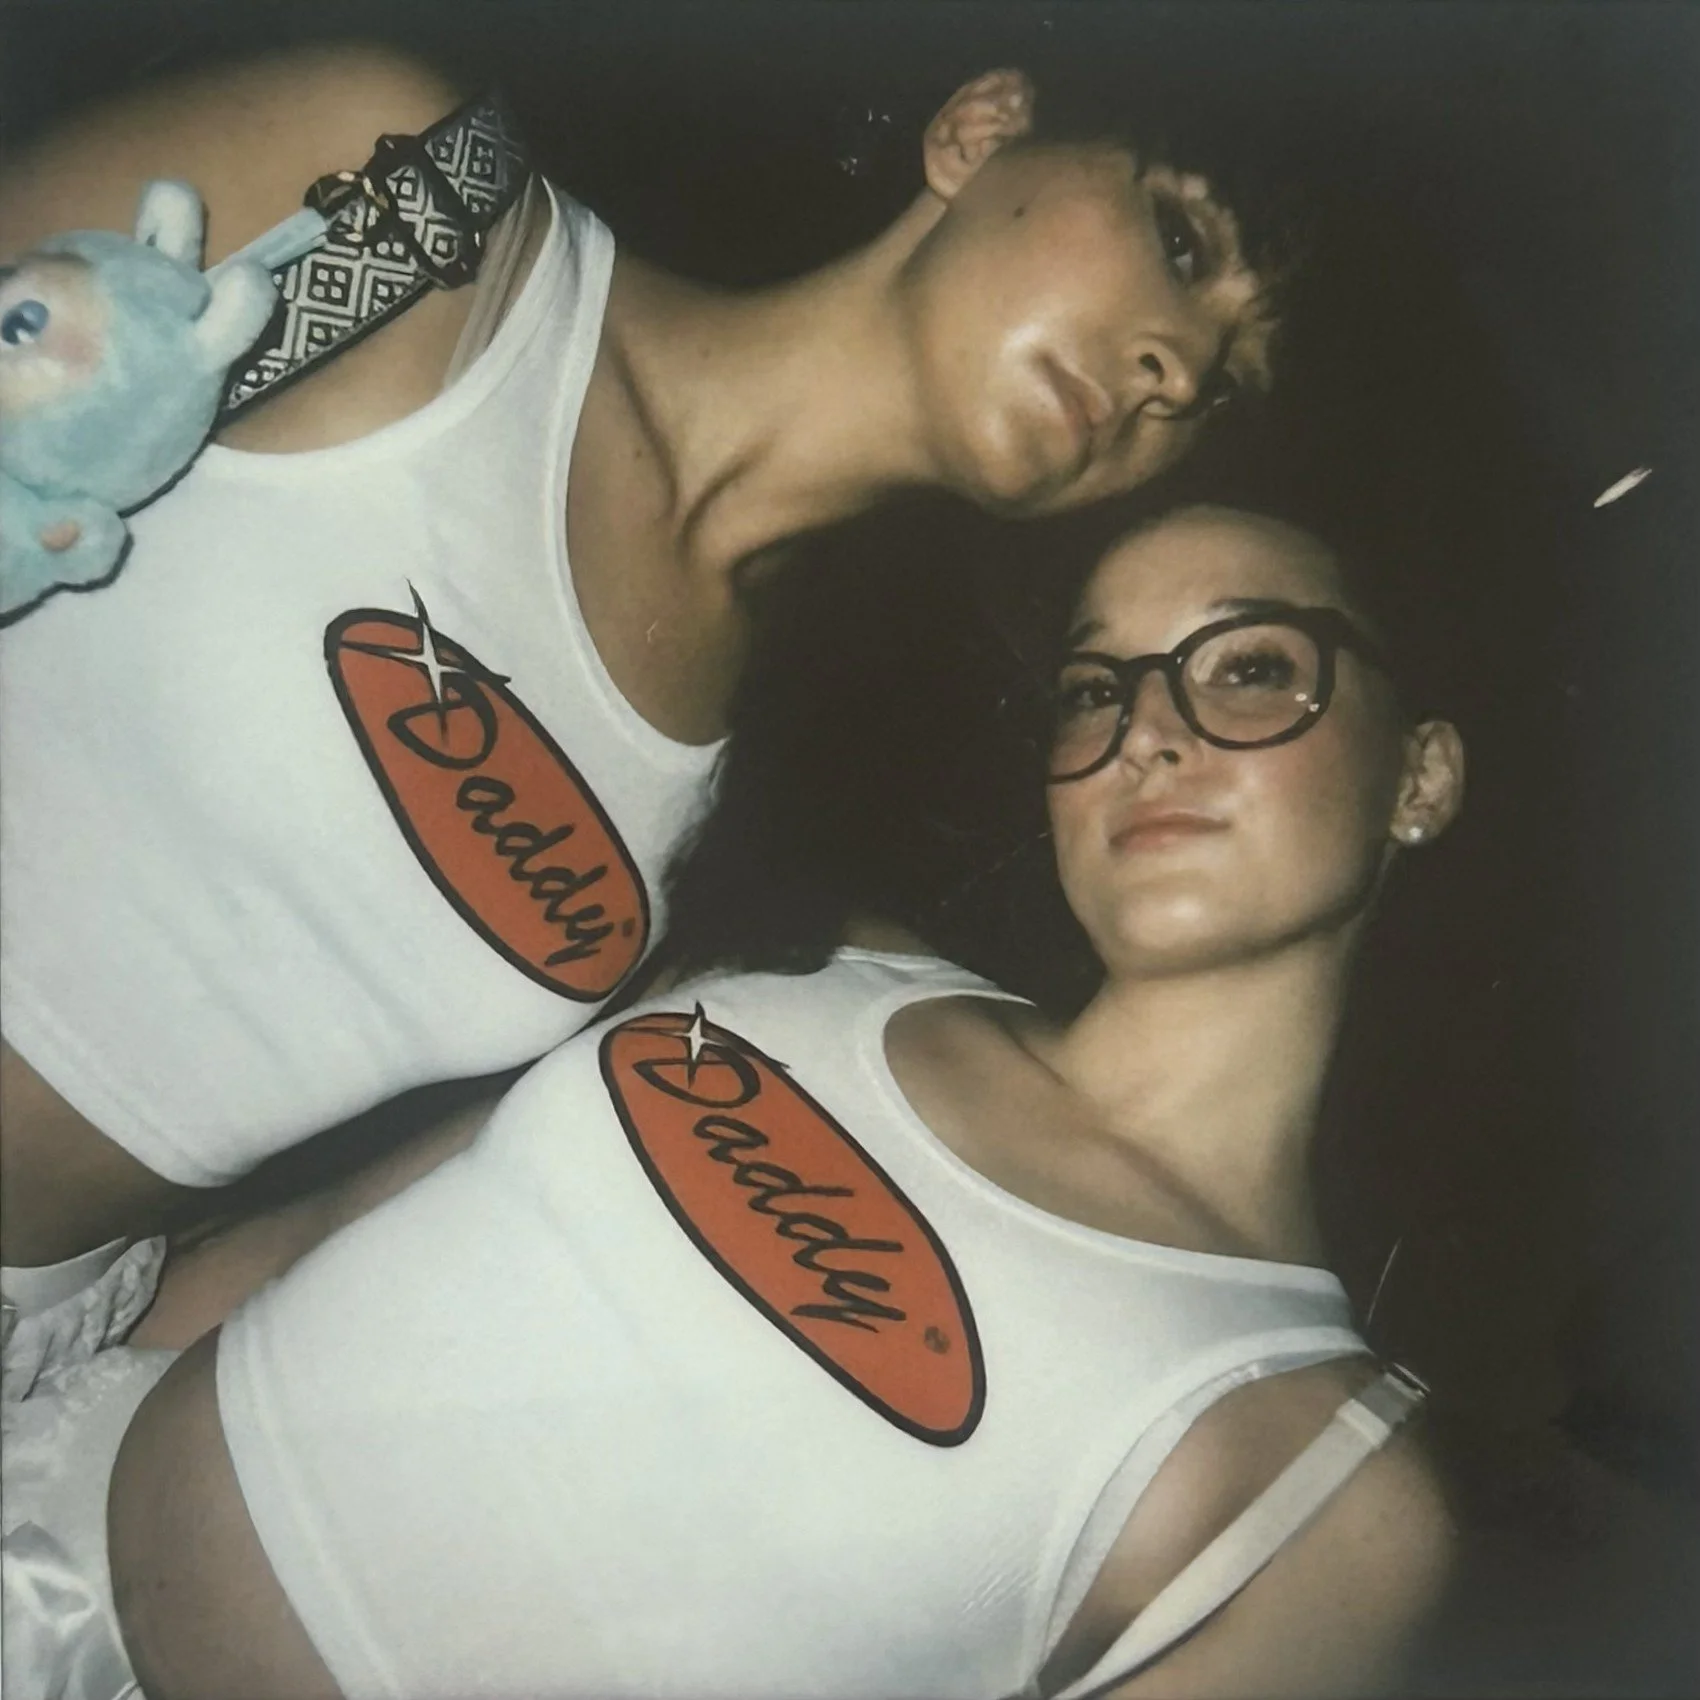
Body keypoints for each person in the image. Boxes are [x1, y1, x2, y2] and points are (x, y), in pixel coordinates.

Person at [56, 502, 1462, 1699]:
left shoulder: (1322, 1485)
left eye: (1252, 669)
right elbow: (313, 1238)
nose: (1147, 731)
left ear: (1419, 773)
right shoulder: (826, 962)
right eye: (1095, 688)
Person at [0, 42, 1292, 1332]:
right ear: (983, 128)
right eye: (1182, 243)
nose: (1177, 372)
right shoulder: (415, 209)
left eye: (1225, 380)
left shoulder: (753, 795)